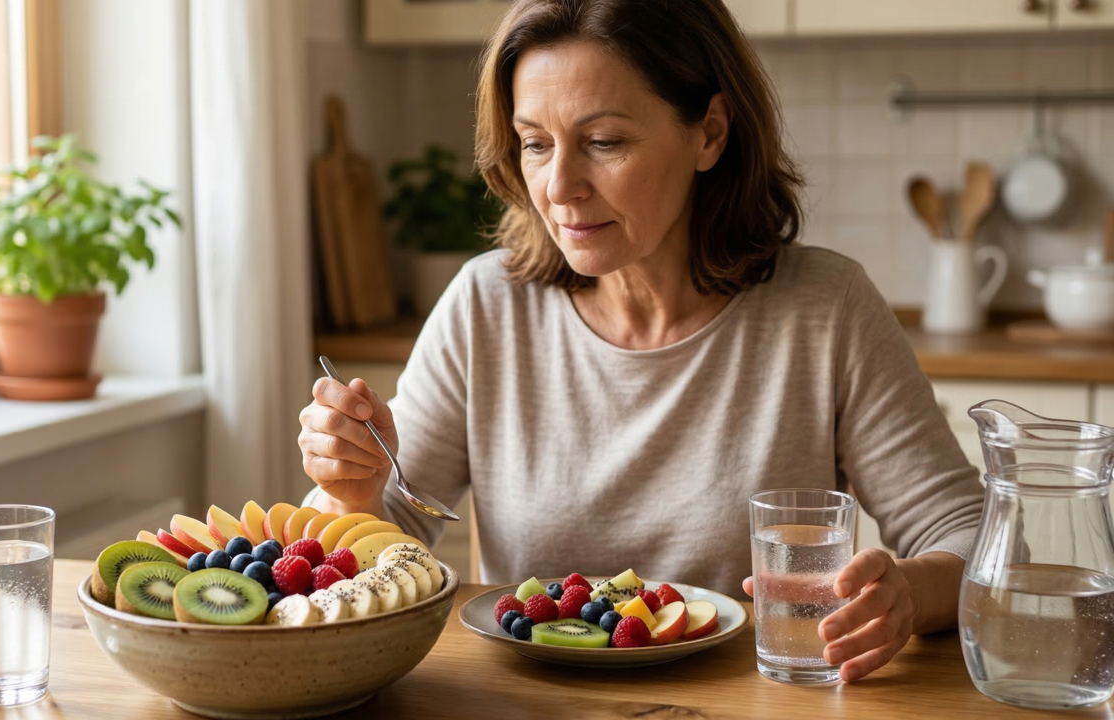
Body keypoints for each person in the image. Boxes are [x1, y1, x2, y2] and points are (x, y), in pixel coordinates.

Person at [298, 0, 983, 682]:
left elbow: (969, 536)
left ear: (709, 134)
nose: (559, 188)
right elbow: (379, 543)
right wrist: (352, 493)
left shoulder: (826, 308)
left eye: (603, 142)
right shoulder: (486, 305)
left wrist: (906, 593)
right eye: (535, 143)